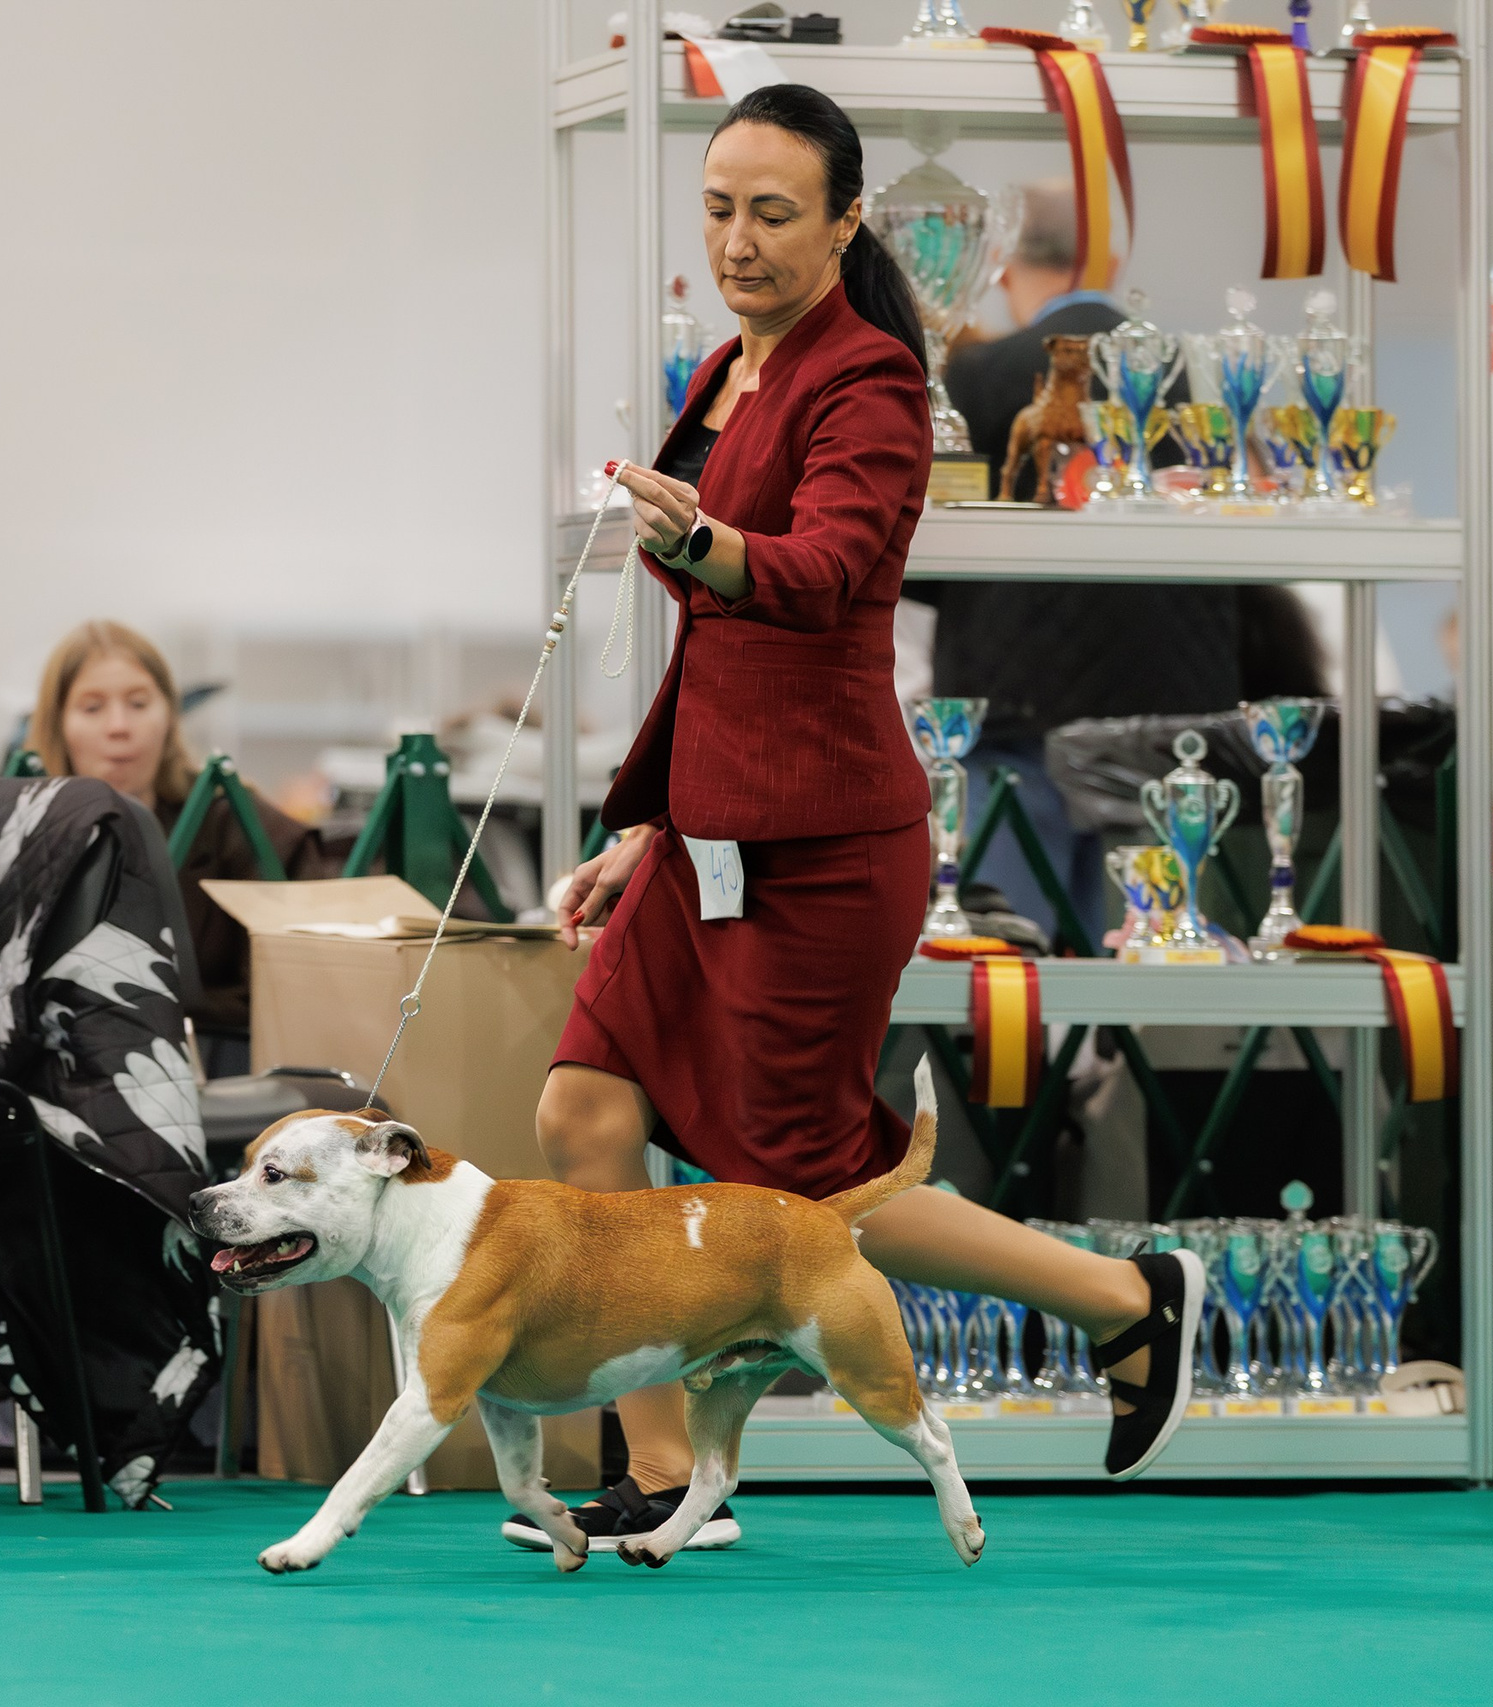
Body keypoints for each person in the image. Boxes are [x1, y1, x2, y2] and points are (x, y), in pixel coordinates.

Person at [513, 85, 1202, 1556]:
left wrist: (700, 535)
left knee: (807, 1183)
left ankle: (1124, 1299)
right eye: (718, 209)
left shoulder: (872, 380)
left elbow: (822, 574)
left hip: (824, 849)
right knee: (584, 1108)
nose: (738, 241)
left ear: (842, 225)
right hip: (707, 837)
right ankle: (659, 1476)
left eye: (773, 213)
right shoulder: (728, 369)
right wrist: (647, 829)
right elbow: (719, 654)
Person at [911, 181, 1321, 940]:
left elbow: (931, 563)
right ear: (1113, 258)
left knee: (1015, 960)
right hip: (1172, 732)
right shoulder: (1198, 373)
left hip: (1014, 715)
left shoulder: (974, 378)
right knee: (1159, 958)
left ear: (1000, 265)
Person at [29, 620, 332, 1078]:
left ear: (169, 716)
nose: (119, 726)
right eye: (92, 707)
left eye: (139, 703)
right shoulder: (25, 832)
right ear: (58, 725)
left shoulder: (235, 820)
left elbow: (297, 988)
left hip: (222, 1070)